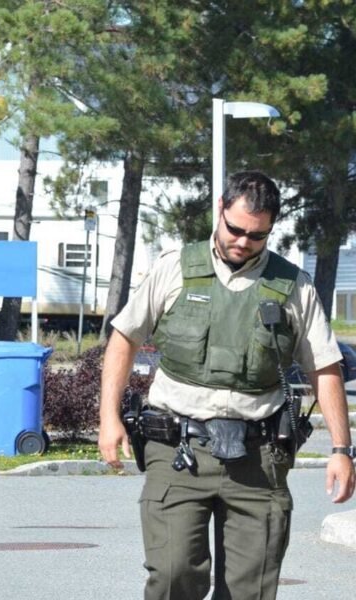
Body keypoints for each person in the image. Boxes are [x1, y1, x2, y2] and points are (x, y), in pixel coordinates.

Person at [99, 171, 355, 600]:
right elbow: (123, 338)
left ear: (270, 229)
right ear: (220, 208)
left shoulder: (292, 286)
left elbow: (324, 368)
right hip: (179, 448)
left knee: (250, 590)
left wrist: (341, 450)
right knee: (173, 574)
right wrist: (109, 417)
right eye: (235, 229)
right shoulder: (175, 268)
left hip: (259, 456)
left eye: (257, 235)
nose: (243, 241)